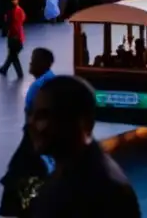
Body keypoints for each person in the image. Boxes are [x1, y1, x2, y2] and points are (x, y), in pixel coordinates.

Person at [28, 75, 140, 217]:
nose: (31, 124)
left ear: (83, 123)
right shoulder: (69, 172)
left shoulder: (105, 194)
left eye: (43, 116)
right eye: (31, 115)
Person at [0, 47, 56, 216]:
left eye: (34, 59)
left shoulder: (40, 86)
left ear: (44, 64)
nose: (30, 63)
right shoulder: (50, 82)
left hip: (34, 143)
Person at [0, 0, 27, 79]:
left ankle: (18, 73)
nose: (16, 1)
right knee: (12, 55)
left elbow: (13, 23)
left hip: (14, 35)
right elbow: (21, 20)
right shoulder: (17, 10)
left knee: (13, 55)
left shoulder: (14, 11)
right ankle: (4, 69)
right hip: (16, 35)